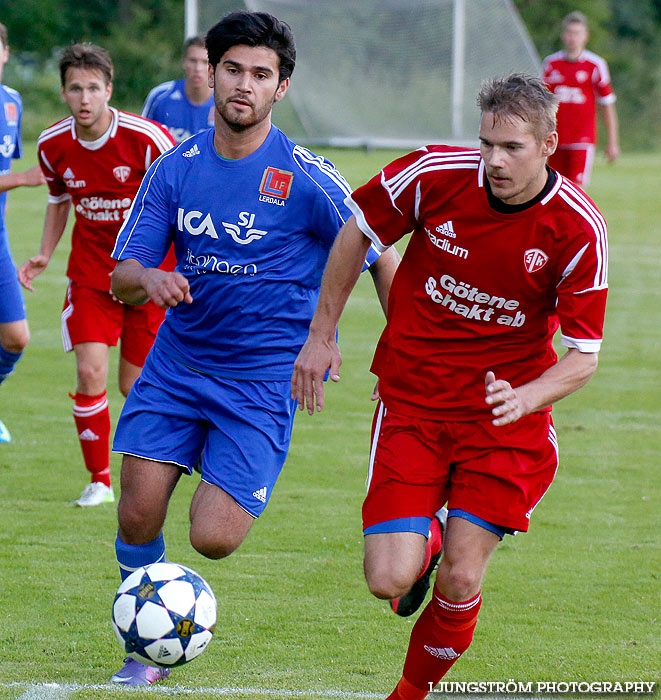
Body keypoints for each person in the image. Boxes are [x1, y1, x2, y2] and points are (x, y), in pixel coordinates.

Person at [292, 73, 608, 700]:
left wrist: (528, 397)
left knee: (461, 579)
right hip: (412, 405)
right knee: (387, 579)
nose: (494, 159)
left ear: (548, 145)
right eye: (487, 142)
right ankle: (428, 534)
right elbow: (358, 230)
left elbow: (583, 357)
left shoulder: (575, 229)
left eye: (512, 147)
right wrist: (321, 332)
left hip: (502, 424)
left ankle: (408, 694)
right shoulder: (433, 174)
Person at [108, 11, 398, 686]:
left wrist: (389, 347)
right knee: (138, 508)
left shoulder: (305, 176)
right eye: (231, 69)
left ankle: (227, 462)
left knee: (214, 538)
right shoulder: (174, 169)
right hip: (179, 363)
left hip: (264, 377)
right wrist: (149, 277)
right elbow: (123, 276)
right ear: (211, 75)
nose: (243, 85)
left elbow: (376, 252)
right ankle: (146, 649)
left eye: (260, 75)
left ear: (281, 88)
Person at [18, 43, 175, 506]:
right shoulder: (52, 144)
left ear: (109, 89)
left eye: (92, 88)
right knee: (90, 373)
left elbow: (182, 193)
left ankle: (163, 464)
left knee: (135, 386)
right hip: (91, 274)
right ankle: (100, 481)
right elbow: (59, 198)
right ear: (64, 93)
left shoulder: (147, 138)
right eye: (74, 89)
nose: (84, 98)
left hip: (149, 277)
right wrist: (45, 253)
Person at [0, 21, 46, 442]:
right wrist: (21, 180)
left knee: (16, 337)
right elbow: (13, 175)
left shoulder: (11, 102)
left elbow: (6, 167)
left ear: (5, 53)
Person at [542, 10, 619, 187]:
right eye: (569, 32)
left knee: (576, 189)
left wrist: (612, 142)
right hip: (555, 138)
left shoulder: (595, 65)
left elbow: (607, 105)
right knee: (553, 187)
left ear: (585, 36)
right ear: (563, 35)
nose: (572, 37)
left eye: (577, 33)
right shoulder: (551, 64)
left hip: (582, 139)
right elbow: (542, 104)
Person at [141, 35, 214, 143]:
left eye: (205, 62)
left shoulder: (224, 102)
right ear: (184, 61)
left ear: (213, 66)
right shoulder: (160, 96)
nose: (198, 68)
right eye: (193, 61)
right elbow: (141, 140)